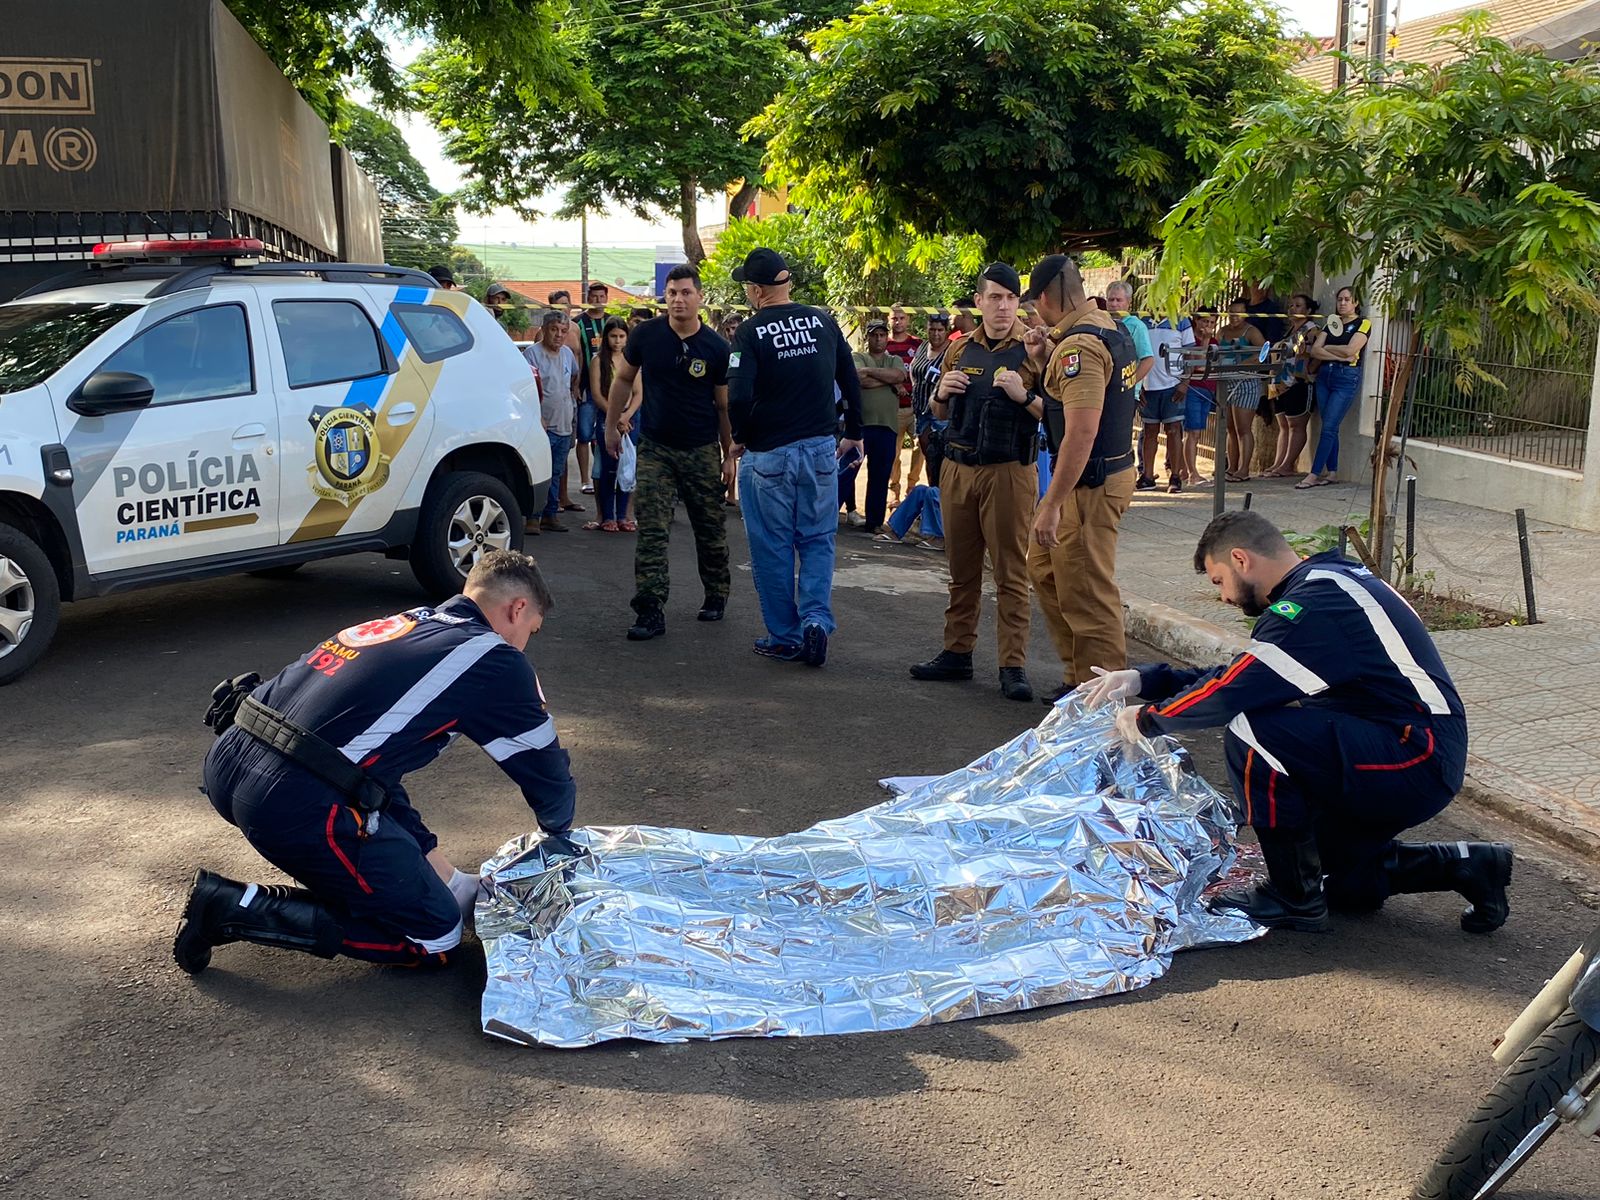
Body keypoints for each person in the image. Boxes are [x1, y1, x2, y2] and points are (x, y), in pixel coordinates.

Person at [1089, 510, 1512, 934]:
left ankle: (1292, 897)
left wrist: (1147, 719)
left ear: (1241, 559)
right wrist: (1149, 679)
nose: (1224, 598)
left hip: (1412, 756)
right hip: (1409, 749)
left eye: (1218, 581)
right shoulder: (1329, 582)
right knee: (1346, 884)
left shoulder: (1312, 606)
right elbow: (1248, 673)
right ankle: (1471, 864)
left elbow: (1234, 693)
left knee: (1251, 729)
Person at [172, 550, 576, 974]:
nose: (526, 641)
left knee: (370, 775)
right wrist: (559, 839)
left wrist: (451, 881)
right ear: (517, 609)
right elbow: (546, 772)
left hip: (231, 761)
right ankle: (231, 908)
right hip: (294, 802)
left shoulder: (406, 623)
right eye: (531, 629)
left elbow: (366, 769)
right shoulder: (495, 660)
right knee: (436, 935)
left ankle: (437, 886)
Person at [908, 263, 1045, 703]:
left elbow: (1057, 414)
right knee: (961, 570)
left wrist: (1024, 396)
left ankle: (1012, 664)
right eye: (995, 297)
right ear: (979, 301)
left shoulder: (1036, 348)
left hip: (1009, 470)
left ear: (1018, 302)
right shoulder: (958, 349)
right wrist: (940, 394)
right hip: (958, 467)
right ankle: (957, 651)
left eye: (1010, 298)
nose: (1003, 306)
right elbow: (941, 414)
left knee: (1009, 571)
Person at [726, 247, 863, 666]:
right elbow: (850, 378)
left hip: (769, 455)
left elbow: (738, 394)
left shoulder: (748, 334)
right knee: (818, 539)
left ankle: (785, 636)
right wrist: (854, 433)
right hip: (822, 448)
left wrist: (741, 437)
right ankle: (816, 621)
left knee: (773, 547)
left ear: (755, 290)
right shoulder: (823, 322)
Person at [1021, 254, 1139, 705]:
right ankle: (1080, 680)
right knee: (1048, 569)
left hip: (1088, 486)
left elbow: (1082, 431)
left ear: (1046, 297)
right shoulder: (1108, 327)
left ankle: (1105, 703)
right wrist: (1044, 355)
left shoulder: (1080, 348)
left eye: (1034, 306)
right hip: (1101, 476)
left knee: (1087, 590)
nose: (1034, 315)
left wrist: (1050, 503)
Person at [605, 264, 735, 641]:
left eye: (686, 293)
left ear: (700, 297)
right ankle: (649, 608)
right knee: (652, 530)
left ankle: (716, 594)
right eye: (672, 293)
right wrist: (612, 427)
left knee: (709, 529)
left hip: (701, 449)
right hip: (655, 449)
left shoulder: (716, 347)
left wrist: (729, 456)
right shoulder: (646, 335)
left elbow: (723, 407)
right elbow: (623, 380)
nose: (678, 299)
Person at [1299, 286, 1371, 489]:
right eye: (1340, 299)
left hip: (1345, 377)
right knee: (1330, 426)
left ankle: (1314, 474)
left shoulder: (1362, 323)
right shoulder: (1332, 323)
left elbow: (1352, 349)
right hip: (1325, 376)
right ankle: (1332, 472)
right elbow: (1315, 351)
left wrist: (1328, 348)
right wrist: (1335, 353)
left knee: (1329, 427)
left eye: (1347, 299)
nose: (1343, 303)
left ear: (1355, 303)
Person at [842, 318, 906, 534]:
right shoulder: (857, 356)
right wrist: (890, 383)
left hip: (887, 426)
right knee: (846, 472)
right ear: (867, 337)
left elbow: (900, 375)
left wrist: (881, 376)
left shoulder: (894, 359)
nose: (878, 339)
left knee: (880, 476)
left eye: (882, 335)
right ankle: (829, 516)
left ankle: (875, 522)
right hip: (860, 426)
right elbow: (860, 379)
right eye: (874, 335)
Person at [523, 310, 581, 533]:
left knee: (556, 472)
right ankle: (533, 517)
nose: (558, 335)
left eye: (563, 331)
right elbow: (525, 391)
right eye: (554, 330)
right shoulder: (531, 355)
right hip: (542, 425)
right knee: (537, 472)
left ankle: (550, 515)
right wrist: (537, 416)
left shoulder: (567, 354)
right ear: (543, 330)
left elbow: (574, 377)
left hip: (564, 423)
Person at [587, 318, 641, 532]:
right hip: (607, 420)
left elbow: (639, 393)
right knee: (609, 468)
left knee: (627, 467)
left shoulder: (632, 360)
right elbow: (597, 394)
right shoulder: (598, 361)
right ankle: (608, 516)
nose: (617, 341)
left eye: (621, 336)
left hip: (630, 421)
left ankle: (623, 516)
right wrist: (615, 417)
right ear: (605, 337)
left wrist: (627, 416)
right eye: (613, 336)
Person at [1264, 293, 1319, 478]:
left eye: (1298, 305)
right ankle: (1279, 463)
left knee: (1296, 425)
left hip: (1298, 382)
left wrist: (1310, 370)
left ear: (1309, 310)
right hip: (1280, 383)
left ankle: (1287, 465)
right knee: (1284, 426)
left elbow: (1317, 354)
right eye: (1291, 305)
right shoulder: (1290, 331)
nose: (1292, 309)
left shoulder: (1312, 330)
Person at [1140, 313, 1195, 493]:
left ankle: (1175, 476)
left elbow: (1190, 354)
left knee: (1173, 430)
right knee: (1149, 431)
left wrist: (1184, 383)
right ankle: (1147, 476)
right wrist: (1139, 383)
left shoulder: (1181, 321)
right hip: (1149, 386)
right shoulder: (1143, 321)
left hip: (1173, 384)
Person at [1217, 299, 1267, 483]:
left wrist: (1244, 363)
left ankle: (1244, 469)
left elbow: (1264, 352)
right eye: (1231, 312)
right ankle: (1232, 466)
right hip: (1226, 381)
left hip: (1246, 380)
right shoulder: (1223, 331)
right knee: (1230, 427)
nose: (1234, 317)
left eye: (1239, 313)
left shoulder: (1251, 331)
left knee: (1243, 428)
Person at [573, 282, 611, 496]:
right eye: (594, 297)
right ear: (588, 298)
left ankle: (603, 475)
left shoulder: (612, 322)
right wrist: (576, 384)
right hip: (587, 388)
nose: (598, 300)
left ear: (606, 297)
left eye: (601, 296)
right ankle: (586, 480)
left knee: (606, 433)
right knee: (585, 434)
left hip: (611, 389)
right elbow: (576, 355)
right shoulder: (578, 323)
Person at [908, 312, 952, 489]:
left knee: (940, 458)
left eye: (940, 330)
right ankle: (932, 495)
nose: (935, 334)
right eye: (932, 329)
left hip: (940, 413)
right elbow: (913, 369)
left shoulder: (952, 349)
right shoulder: (922, 346)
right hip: (920, 410)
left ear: (946, 330)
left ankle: (941, 500)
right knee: (928, 456)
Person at [885, 305, 924, 500]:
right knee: (894, 454)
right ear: (888, 320)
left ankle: (911, 488)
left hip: (916, 407)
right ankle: (894, 493)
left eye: (902, 318)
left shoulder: (918, 344)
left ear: (908, 320)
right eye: (894, 318)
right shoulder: (883, 345)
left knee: (921, 448)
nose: (898, 322)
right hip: (893, 408)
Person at [1181, 308, 1220, 488]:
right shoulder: (1192, 339)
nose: (1208, 326)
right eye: (1205, 321)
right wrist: (1204, 341)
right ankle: (1192, 473)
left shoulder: (1214, 341)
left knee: (1197, 431)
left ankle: (1185, 469)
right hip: (1193, 389)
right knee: (1193, 431)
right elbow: (1197, 363)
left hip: (1208, 389)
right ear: (1196, 320)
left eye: (1212, 323)